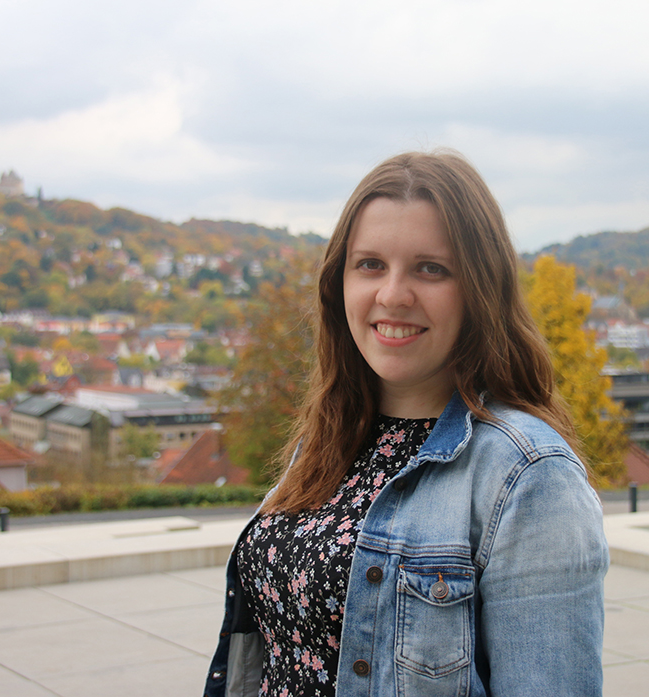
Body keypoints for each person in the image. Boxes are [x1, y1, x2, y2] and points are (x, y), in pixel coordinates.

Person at [203, 151, 609, 697]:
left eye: (430, 268)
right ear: (338, 282)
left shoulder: (529, 478)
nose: (392, 295)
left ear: (480, 290)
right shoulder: (331, 439)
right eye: (370, 264)